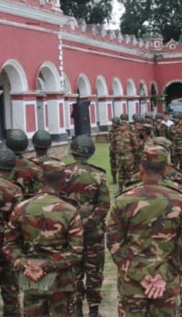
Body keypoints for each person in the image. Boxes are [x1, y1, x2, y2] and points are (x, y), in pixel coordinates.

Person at [106, 145, 182, 317]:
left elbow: (113, 243)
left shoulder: (123, 201)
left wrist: (139, 275)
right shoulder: (181, 201)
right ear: (165, 170)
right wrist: (165, 275)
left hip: (131, 281)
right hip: (167, 281)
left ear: (140, 167)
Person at [3, 160, 83, 317]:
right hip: (62, 283)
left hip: (32, 280)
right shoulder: (70, 211)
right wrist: (46, 266)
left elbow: (9, 246)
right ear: (63, 181)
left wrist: (27, 265)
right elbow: (76, 253)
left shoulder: (20, 208)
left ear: (40, 179)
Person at [62, 135, 110, 317]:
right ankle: (94, 310)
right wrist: (88, 223)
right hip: (93, 233)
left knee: (73, 271)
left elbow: (58, 204)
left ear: (72, 151)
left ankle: (77, 309)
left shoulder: (63, 173)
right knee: (94, 271)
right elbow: (104, 205)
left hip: (69, 232)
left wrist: (74, 225)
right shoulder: (99, 175)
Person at [0, 146, 23, 317]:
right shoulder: (14, 190)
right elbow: (18, 222)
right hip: (6, 245)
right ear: (10, 170)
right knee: (10, 291)